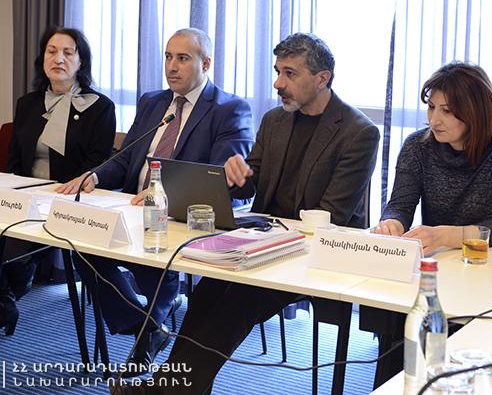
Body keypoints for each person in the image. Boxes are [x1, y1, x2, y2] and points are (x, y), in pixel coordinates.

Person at [128, 32, 379, 394]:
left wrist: (269, 235)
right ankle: (175, 387)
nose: (278, 83)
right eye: (278, 72)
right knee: (209, 290)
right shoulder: (276, 120)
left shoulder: (358, 133)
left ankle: (165, 389)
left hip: (313, 252)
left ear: (321, 78)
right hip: (261, 240)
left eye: (290, 74)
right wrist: (235, 176)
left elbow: (333, 215)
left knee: (240, 298)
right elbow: (251, 184)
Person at [57, 28, 254, 370]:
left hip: (183, 220)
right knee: (81, 245)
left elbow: (217, 178)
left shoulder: (229, 109)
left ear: (206, 63)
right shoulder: (152, 102)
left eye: (183, 58)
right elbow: (126, 158)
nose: (171, 66)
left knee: (156, 256)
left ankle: (154, 319)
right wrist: (96, 175)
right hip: (133, 210)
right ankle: (147, 326)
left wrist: (163, 192)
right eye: (168, 57)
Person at [0, 26, 115, 336]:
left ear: (81, 61)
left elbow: (97, 165)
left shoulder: (99, 107)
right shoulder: (28, 103)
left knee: (12, 246)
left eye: (68, 52)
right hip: (23, 196)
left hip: (67, 201)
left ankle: (8, 296)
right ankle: (5, 302)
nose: (58, 59)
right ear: (43, 58)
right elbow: (14, 161)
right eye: (51, 51)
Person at [372, 61, 492, 254]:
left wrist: (443, 236)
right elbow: (400, 206)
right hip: (445, 256)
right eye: (431, 107)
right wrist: (392, 223)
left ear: (476, 112)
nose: (434, 121)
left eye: (447, 111)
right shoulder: (417, 145)